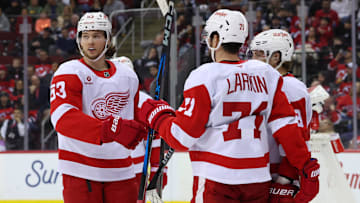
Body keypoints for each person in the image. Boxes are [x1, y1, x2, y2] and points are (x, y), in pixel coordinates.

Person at [138, 9, 320, 202]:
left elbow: (182, 137)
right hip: (257, 179)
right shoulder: (266, 74)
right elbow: (287, 128)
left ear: (215, 39)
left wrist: (158, 116)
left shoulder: (205, 76)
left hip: (216, 178)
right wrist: (305, 164)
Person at [50, 12, 147, 203]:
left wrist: (154, 114)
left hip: (121, 170)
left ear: (107, 39)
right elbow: (63, 118)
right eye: (85, 36)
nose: (90, 42)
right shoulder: (69, 71)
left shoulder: (128, 76)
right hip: (80, 169)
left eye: (96, 36)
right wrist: (111, 128)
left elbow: (134, 116)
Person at [249, 29, 314, 202]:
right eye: (253, 54)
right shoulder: (263, 83)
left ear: (276, 57)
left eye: (259, 54)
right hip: (260, 174)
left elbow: (296, 139)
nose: (253, 60)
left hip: (278, 176)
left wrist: (285, 180)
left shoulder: (290, 87)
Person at [111, 56, 168, 191]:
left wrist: (158, 172)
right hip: (106, 172)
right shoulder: (102, 100)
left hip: (135, 172)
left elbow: (155, 140)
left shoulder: (144, 102)